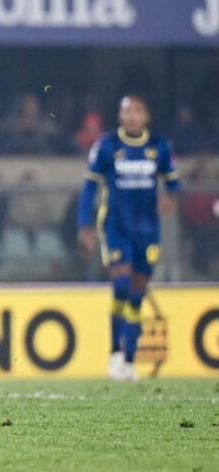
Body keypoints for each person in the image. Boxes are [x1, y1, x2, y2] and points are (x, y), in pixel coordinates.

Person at [77, 95, 179, 382]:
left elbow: (173, 183)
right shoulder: (107, 146)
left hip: (148, 230)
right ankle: (114, 354)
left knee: (136, 296)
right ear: (120, 116)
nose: (131, 116)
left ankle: (130, 360)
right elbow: (89, 188)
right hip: (115, 227)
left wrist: (170, 198)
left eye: (136, 111)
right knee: (121, 286)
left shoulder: (159, 146)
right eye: (126, 111)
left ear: (146, 116)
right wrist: (85, 225)